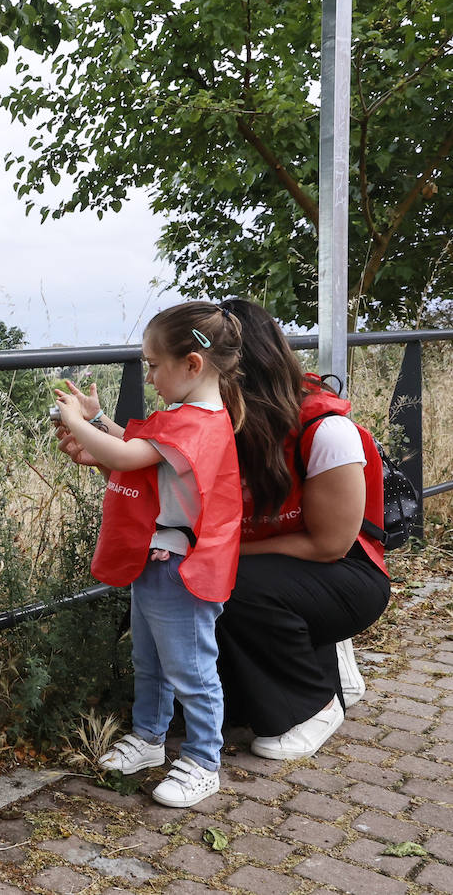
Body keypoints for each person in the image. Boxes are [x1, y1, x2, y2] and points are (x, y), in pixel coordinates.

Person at [57, 297, 391, 763]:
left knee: (223, 586)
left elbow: (330, 544)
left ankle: (312, 704)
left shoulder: (326, 430)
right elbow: (152, 471)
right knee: (197, 590)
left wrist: (220, 554)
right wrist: (97, 435)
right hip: (269, 560)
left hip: (342, 571)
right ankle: (235, 698)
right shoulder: (221, 421)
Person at [53, 301, 244, 808]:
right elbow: (140, 445)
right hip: (158, 561)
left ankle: (204, 760)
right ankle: (149, 738)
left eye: (154, 364)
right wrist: (98, 421)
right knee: (151, 660)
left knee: (191, 669)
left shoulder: (198, 424)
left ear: (192, 364)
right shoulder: (186, 416)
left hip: (182, 568)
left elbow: (125, 456)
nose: (150, 375)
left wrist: (76, 422)